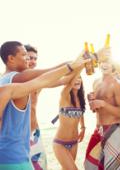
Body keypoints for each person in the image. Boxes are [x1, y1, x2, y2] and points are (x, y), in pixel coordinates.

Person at [0, 40, 89, 170]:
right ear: (11, 59)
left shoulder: (4, 80)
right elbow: (49, 73)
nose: (28, 60)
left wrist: (80, 65)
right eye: (25, 55)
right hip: (14, 155)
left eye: (32, 58)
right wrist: (77, 62)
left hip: (12, 149)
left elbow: (61, 79)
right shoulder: (17, 78)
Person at [85, 59, 120, 170]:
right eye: (103, 61)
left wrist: (103, 104)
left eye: (108, 61)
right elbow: (95, 110)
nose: (105, 64)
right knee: (89, 165)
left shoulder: (116, 84)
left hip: (114, 130)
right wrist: (92, 102)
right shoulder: (96, 82)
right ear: (98, 63)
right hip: (99, 130)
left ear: (113, 64)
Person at [52, 69, 86, 170]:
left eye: (79, 77)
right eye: (75, 77)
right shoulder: (65, 95)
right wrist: (79, 67)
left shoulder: (80, 98)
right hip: (60, 143)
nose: (78, 80)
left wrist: (83, 127)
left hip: (74, 143)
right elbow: (68, 86)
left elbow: (80, 113)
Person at [25, 44, 47, 170]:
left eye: (35, 59)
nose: (33, 61)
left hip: (34, 133)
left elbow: (60, 78)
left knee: (40, 167)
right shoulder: (11, 79)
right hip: (18, 136)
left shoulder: (38, 79)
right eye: (30, 58)